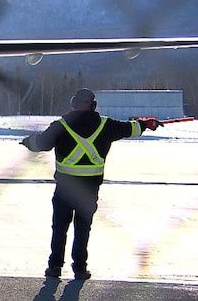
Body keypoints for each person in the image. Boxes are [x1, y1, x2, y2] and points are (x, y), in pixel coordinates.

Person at [20, 88, 163, 280]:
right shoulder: (106, 125)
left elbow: (42, 143)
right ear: (93, 104)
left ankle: (55, 266)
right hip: (89, 190)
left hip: (64, 189)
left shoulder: (61, 125)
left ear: (73, 103)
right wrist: (147, 124)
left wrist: (29, 141)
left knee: (60, 228)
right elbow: (131, 129)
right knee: (82, 229)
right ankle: (80, 268)